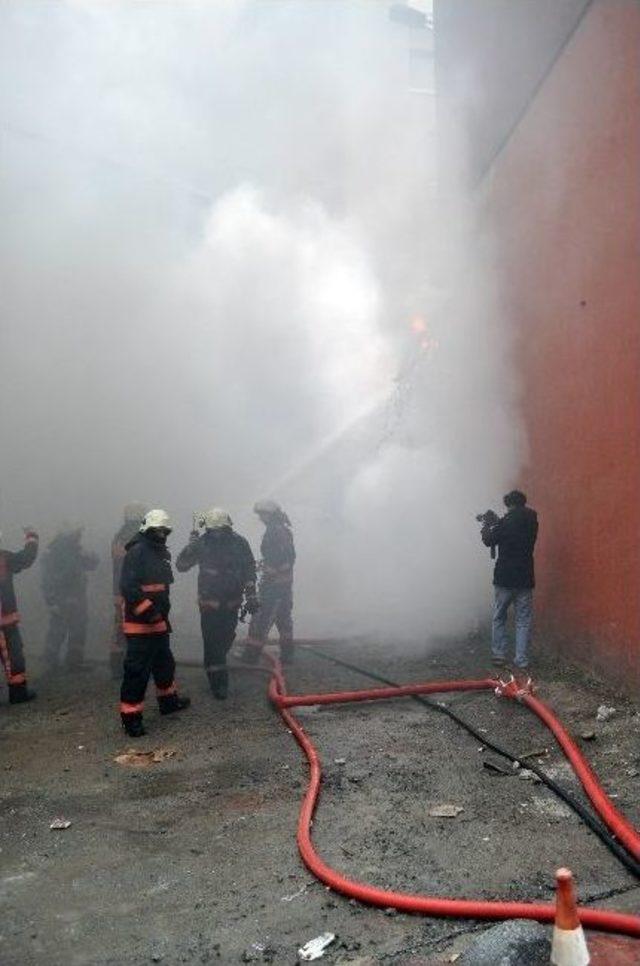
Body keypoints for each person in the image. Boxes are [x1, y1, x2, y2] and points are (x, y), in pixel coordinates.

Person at [119, 508, 190, 737]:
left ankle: (168, 702)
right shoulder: (138, 552)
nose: (162, 534)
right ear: (147, 529)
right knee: (137, 671)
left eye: (164, 531)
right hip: (140, 625)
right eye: (157, 530)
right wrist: (149, 612)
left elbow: (160, 587)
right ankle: (131, 718)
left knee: (164, 664)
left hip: (158, 621)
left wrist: (163, 614)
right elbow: (128, 587)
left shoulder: (156, 551)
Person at [176, 508, 257, 699]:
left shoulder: (239, 543)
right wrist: (190, 547)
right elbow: (181, 566)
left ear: (228, 527)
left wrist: (252, 594)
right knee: (213, 644)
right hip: (209, 604)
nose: (219, 534)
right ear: (209, 530)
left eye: (222, 530)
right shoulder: (202, 543)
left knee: (226, 638)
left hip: (232, 603)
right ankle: (219, 685)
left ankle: (216, 666)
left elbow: (249, 568)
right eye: (215, 530)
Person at [481, 490, 538, 672]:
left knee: (499, 617)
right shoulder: (532, 521)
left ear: (509, 504)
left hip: (504, 577)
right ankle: (521, 659)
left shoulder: (504, 523)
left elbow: (489, 541)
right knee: (523, 620)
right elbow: (515, 531)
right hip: (525, 577)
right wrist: (498, 522)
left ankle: (499, 654)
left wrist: (486, 526)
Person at [243, 499, 296, 665]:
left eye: (262, 514)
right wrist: (264, 564)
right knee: (283, 618)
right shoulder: (280, 530)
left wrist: (272, 570)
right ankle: (288, 655)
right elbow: (280, 557)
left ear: (270, 514)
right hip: (283, 585)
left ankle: (251, 655)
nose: (260, 518)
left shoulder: (276, 531)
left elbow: (288, 558)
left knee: (261, 618)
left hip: (274, 585)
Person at [41, 524, 99, 671]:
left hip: (72, 596)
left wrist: (88, 555)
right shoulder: (60, 551)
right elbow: (49, 578)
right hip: (66, 597)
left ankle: (61, 660)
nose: (79, 537)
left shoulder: (68, 550)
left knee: (70, 628)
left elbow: (91, 564)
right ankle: (63, 660)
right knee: (67, 628)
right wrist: (52, 599)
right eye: (77, 534)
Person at [0, 525, 39, 703]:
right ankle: (18, 693)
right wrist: (31, 537)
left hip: (5, 619)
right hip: (5, 621)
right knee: (13, 655)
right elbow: (26, 558)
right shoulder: (4, 558)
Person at [109, 502, 148, 679]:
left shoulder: (119, 537)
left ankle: (116, 668)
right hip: (137, 591)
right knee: (142, 627)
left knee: (119, 628)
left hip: (119, 592)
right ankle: (139, 666)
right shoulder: (140, 537)